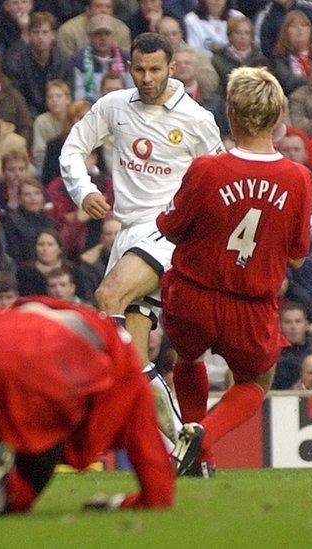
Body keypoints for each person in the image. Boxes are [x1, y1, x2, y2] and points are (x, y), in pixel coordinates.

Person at [59, 33, 222, 444]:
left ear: (172, 68)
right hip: (129, 235)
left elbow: (221, 180)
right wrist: (85, 191)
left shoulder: (196, 119)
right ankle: (179, 448)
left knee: (107, 296)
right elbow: (73, 149)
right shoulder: (114, 107)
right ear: (128, 67)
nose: (146, 78)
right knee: (133, 362)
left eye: (155, 69)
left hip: (168, 232)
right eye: (139, 69)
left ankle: (105, 375)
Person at [158, 66, 312, 476]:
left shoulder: (207, 169)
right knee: (255, 382)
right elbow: (297, 257)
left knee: (187, 357)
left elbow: (169, 227)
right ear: (279, 118)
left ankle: (194, 451)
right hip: (250, 304)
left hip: (193, 293)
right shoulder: (299, 178)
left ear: (230, 113)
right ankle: (203, 441)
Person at [0, 297, 173, 520]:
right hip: (57, 371)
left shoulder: (20, 313)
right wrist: (121, 502)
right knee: (23, 492)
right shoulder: (126, 370)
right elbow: (158, 487)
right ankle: (1, 489)